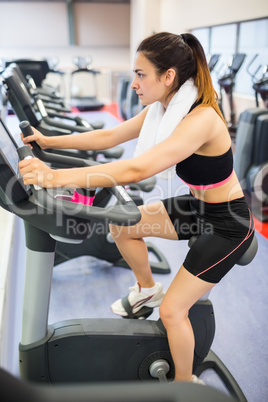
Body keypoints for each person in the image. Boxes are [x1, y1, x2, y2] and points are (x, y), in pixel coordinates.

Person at [19, 32, 255, 384]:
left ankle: (184, 385)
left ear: (168, 77)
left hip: (228, 222)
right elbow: (108, 138)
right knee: (124, 225)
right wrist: (47, 140)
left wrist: (55, 178)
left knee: (173, 312)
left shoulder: (200, 118)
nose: (134, 84)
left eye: (141, 74)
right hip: (199, 207)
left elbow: (137, 169)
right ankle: (146, 289)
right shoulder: (165, 110)